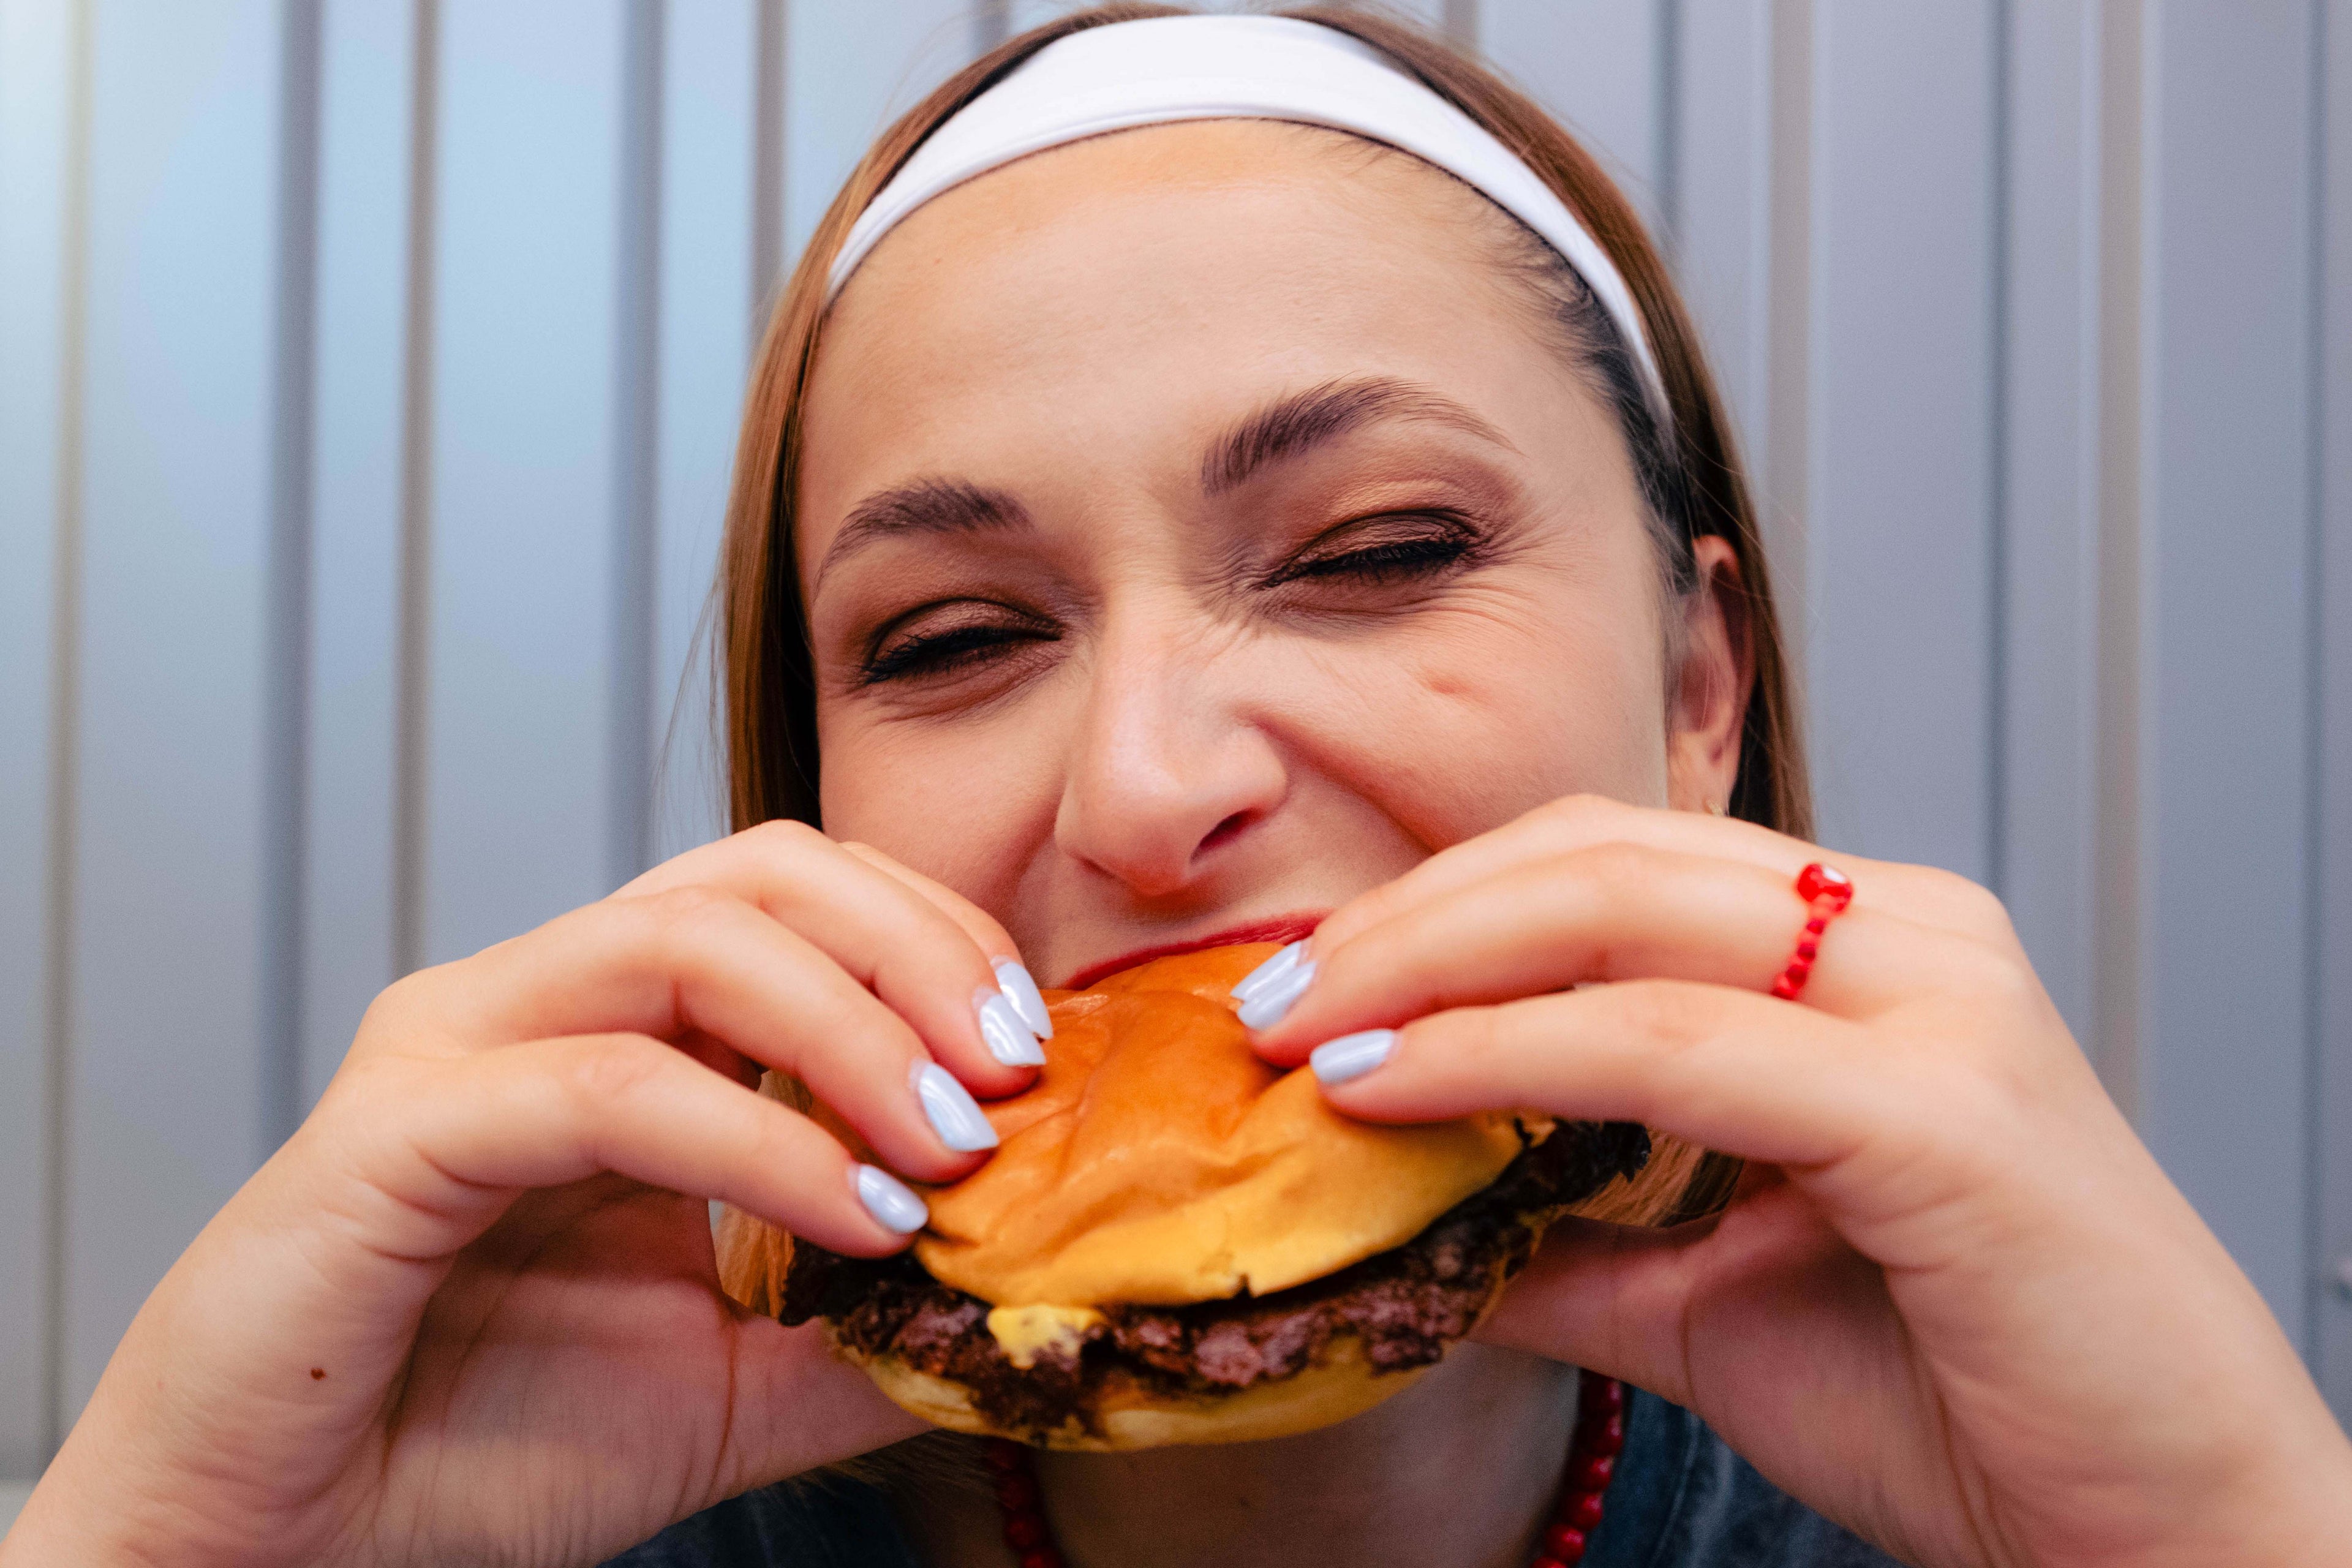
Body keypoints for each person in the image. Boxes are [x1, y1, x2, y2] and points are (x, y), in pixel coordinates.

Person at [7, 7, 2348, 1567]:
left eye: (1376, 554)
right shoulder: (519, 1509)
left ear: (1701, 694)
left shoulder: (2041, 1494)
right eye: (950, 639)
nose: (1143, 788)